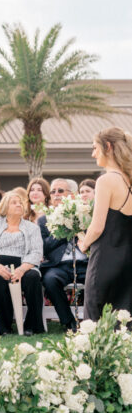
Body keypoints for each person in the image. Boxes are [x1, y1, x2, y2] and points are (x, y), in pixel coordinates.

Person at [80, 127, 132, 320]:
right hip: (128, 260)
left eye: (95, 148)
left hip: (105, 258)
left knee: (96, 315)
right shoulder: (129, 180)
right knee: (124, 318)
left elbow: (97, 226)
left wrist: (84, 244)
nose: (93, 154)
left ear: (108, 147)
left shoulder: (106, 180)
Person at [0, 190, 44, 336]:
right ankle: (3, 327)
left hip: (24, 263)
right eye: (14, 202)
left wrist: (21, 270)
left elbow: (36, 252)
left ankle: (31, 325)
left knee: (33, 278)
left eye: (20, 203)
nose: (19, 205)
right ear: (4, 207)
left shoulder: (32, 227)